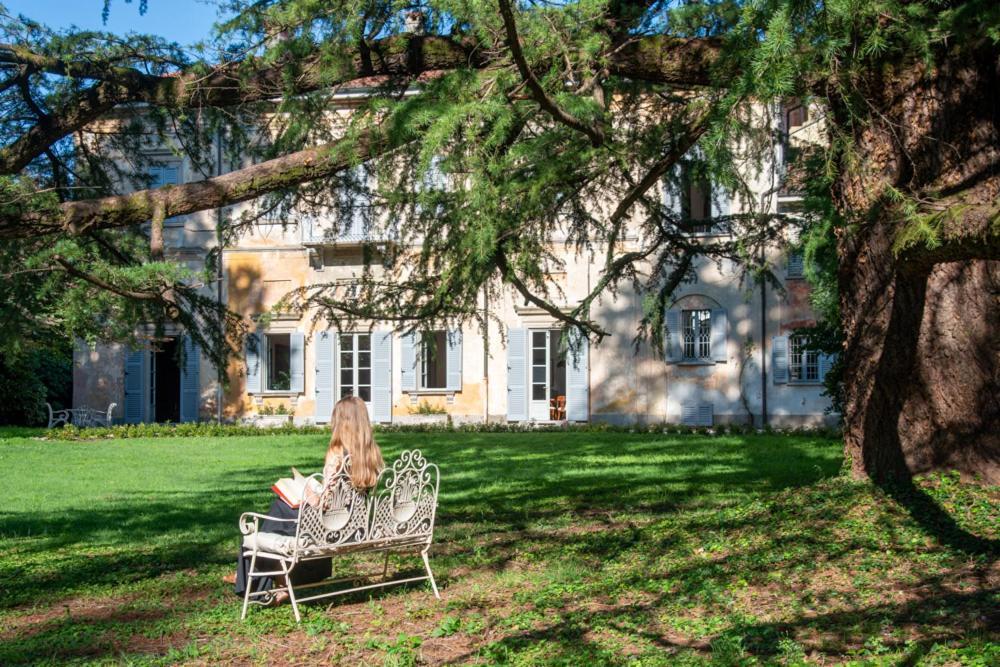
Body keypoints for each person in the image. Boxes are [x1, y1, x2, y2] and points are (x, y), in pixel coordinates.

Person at [229, 396, 385, 603]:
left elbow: (324, 504)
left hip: (330, 528)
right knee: (282, 515)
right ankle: (267, 579)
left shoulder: (337, 451)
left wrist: (307, 492)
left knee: (279, 507)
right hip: (354, 528)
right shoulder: (371, 453)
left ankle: (262, 580)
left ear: (340, 422)